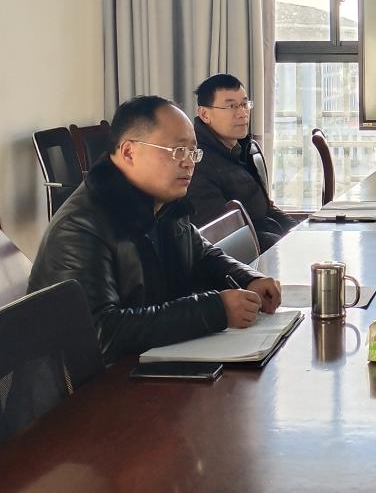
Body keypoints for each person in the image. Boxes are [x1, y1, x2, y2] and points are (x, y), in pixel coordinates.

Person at [28, 96, 282, 365]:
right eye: (177, 151)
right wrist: (214, 310)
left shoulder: (163, 203)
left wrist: (247, 279)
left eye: (193, 152)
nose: (189, 163)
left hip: (151, 362)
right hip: (90, 384)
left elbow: (202, 255)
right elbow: (101, 334)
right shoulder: (81, 226)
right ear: (129, 152)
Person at [189, 73, 297, 251]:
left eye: (245, 104)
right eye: (231, 106)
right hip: (247, 256)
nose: (242, 113)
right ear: (205, 114)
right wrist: (285, 246)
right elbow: (223, 235)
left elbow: (266, 208)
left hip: (270, 240)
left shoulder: (245, 148)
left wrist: (299, 232)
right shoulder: (197, 162)